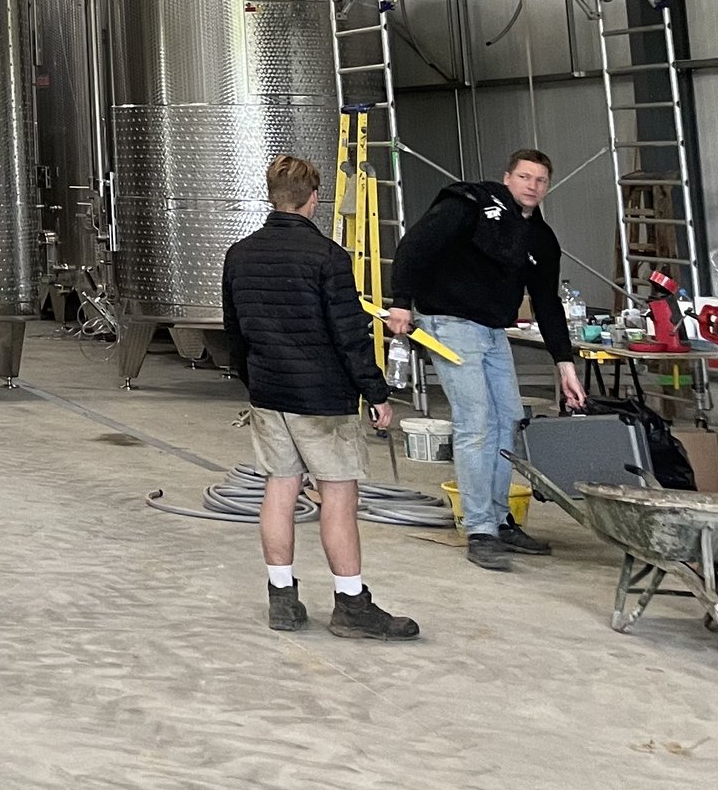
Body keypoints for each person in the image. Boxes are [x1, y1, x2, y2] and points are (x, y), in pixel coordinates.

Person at [221, 153, 419, 640]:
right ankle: (351, 604)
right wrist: (376, 393)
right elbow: (349, 336)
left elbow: (235, 332)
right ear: (313, 200)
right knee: (338, 497)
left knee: (280, 488)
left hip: (269, 392)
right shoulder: (328, 257)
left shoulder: (239, 254)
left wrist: (255, 380)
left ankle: (282, 600)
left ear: (273, 196)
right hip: (322, 399)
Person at [387, 147, 586, 571]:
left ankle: (499, 519)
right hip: (449, 322)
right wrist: (401, 303)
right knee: (476, 422)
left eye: (540, 180)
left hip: (493, 330)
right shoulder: (473, 204)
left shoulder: (540, 238)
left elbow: (548, 303)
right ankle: (479, 529)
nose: (532, 186)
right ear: (507, 177)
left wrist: (564, 364)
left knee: (509, 418)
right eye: (525, 177)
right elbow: (415, 245)